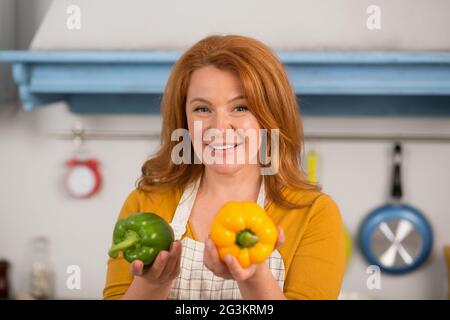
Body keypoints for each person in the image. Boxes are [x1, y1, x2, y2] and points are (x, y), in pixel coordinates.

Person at [103, 34, 346, 300]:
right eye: (202, 109)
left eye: (241, 107)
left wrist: (254, 277)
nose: (219, 128)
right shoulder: (145, 203)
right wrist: (152, 284)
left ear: (271, 116)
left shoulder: (313, 214)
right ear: (184, 118)